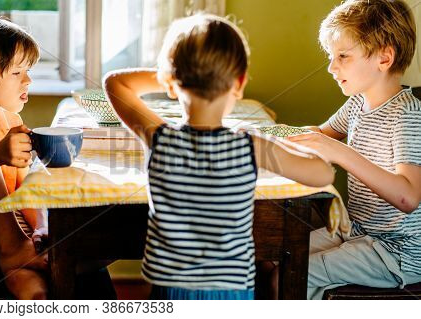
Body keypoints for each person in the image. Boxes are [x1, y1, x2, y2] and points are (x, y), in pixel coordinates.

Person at [104, 14, 335, 300]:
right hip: (231, 290)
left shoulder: (159, 138)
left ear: (171, 81)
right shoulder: (252, 146)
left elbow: (115, 83)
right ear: (239, 83)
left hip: (170, 289)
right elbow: (324, 174)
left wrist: (175, 74)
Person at [287, 0, 421, 299]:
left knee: (294, 270)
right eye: (332, 57)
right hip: (359, 230)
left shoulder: (407, 114)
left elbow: (409, 196)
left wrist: (340, 152)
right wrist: (275, 135)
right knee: (279, 256)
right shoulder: (358, 102)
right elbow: (320, 133)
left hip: (398, 251)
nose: (332, 67)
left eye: (343, 56)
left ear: (384, 58)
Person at [0, 14, 47, 299]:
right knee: (31, 287)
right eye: (17, 73)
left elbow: (26, 186)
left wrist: (41, 226)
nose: (27, 80)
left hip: (22, 231)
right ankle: (14, 250)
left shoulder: (8, 119)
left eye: (27, 71)